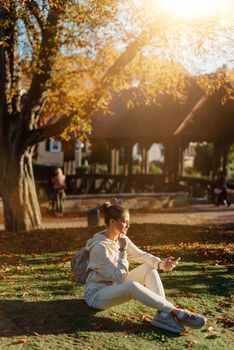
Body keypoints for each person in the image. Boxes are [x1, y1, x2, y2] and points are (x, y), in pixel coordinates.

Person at [84, 201, 207, 334]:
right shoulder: (99, 247)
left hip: (114, 286)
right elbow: (119, 278)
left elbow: (141, 255)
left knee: (149, 268)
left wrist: (161, 264)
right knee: (131, 285)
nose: (129, 225)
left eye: (128, 222)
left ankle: (163, 316)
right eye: (125, 221)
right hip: (97, 295)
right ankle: (175, 311)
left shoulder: (120, 238)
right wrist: (122, 250)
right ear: (112, 222)